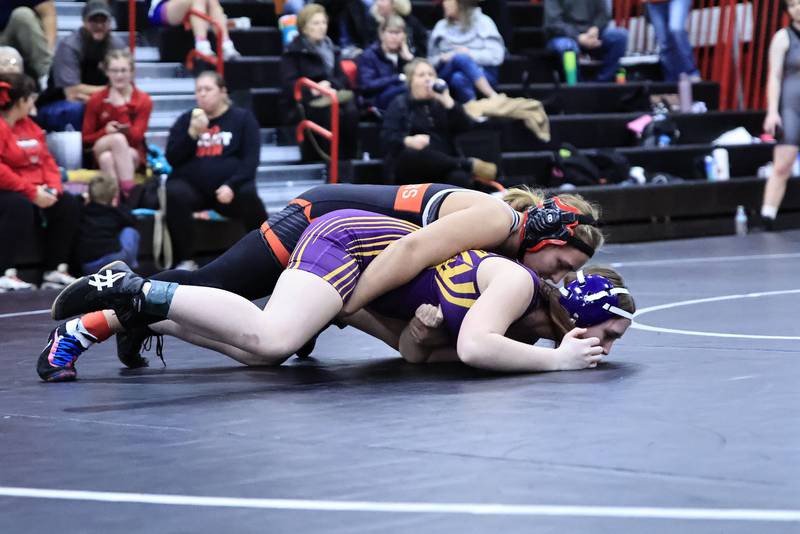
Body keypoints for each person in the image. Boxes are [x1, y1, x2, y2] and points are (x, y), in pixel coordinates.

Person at [44, 183, 602, 373]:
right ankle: (123, 300)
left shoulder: (505, 246)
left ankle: (138, 316)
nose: (557, 278)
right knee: (225, 291)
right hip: (325, 224)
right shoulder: (494, 219)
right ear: (549, 239)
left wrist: (368, 316)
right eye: (564, 266)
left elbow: (412, 301)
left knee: (264, 345)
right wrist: (346, 304)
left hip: (353, 246)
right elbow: (408, 252)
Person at [164, 70, 267, 270]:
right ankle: (185, 260)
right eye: (198, 90)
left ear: (222, 91)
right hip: (194, 189)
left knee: (248, 194)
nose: (202, 94)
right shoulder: (187, 120)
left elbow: (250, 161)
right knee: (174, 192)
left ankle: (267, 250)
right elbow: (173, 159)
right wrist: (192, 134)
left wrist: (231, 185)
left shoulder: (242, 119)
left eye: (208, 89)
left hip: (229, 189)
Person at [0, 73, 80, 291]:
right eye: (31, 99)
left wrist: (53, 187)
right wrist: (31, 191)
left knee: (68, 203)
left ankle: (54, 270)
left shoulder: (30, 126)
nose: (33, 103)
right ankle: (3, 272)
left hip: (35, 189)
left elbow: (47, 160)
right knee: (18, 205)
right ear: (21, 101)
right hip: (9, 190)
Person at [381, 58, 497, 186]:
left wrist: (448, 101)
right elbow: (387, 137)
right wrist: (408, 141)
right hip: (413, 166)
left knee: (460, 178)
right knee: (412, 154)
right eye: (421, 75)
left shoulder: (442, 103)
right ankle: (466, 163)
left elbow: (465, 126)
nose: (427, 79)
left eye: (431, 74)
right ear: (411, 81)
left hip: (443, 165)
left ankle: (462, 165)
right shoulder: (399, 104)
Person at [280, 3, 359, 161]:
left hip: (330, 94)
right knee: (330, 113)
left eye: (323, 22)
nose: (321, 27)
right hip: (307, 100)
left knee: (350, 110)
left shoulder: (332, 48)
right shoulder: (293, 51)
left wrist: (331, 85)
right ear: (304, 27)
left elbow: (342, 78)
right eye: (316, 23)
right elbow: (289, 84)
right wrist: (313, 89)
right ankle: (331, 161)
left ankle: (349, 161)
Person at [36, 0, 125, 132]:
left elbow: (126, 85)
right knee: (78, 108)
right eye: (94, 21)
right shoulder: (69, 46)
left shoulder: (117, 45)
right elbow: (71, 92)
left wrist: (105, 95)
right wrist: (110, 92)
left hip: (94, 100)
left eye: (103, 21)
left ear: (110, 23)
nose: (99, 25)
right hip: (57, 104)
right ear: (84, 22)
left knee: (128, 105)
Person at [82, 49, 153, 198]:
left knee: (107, 158)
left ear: (132, 72)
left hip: (132, 152)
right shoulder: (96, 99)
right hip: (101, 146)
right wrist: (105, 132)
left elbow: (136, 138)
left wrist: (121, 108)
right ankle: (130, 194)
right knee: (117, 139)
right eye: (114, 71)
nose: (119, 76)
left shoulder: (143, 100)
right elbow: (86, 139)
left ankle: (114, 203)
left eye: (123, 71)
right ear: (107, 72)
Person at [760, 0, 800, 230]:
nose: (797, 9)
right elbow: (774, 76)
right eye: (792, 5)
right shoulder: (783, 37)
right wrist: (772, 111)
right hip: (791, 107)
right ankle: (768, 216)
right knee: (783, 164)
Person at [428, 0, 504, 103]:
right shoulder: (440, 26)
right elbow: (429, 61)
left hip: (483, 72)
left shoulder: (484, 22)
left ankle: (472, 110)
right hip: (447, 71)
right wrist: (441, 58)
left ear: (460, 4)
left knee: (458, 78)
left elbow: (497, 56)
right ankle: (493, 96)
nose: (444, 4)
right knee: (460, 58)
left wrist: (470, 54)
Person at [544, 0, 629, 83]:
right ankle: (576, 87)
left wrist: (596, 28)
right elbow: (553, 22)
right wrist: (578, 37)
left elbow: (604, 15)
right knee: (567, 46)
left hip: (592, 34)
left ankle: (602, 83)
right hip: (563, 35)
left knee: (620, 36)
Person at [76, 173, 140, 275]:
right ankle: (131, 269)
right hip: (113, 261)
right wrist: (117, 207)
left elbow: (75, 202)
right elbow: (132, 220)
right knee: (130, 231)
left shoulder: (82, 210)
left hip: (87, 266)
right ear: (114, 195)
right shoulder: (115, 212)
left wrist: (81, 198)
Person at [147, 0, 240, 61]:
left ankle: (226, 44)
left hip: (194, 5)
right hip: (161, 8)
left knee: (212, 1)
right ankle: (202, 46)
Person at [357, 15, 413, 113]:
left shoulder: (404, 54)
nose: (394, 37)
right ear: (381, 34)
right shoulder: (369, 55)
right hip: (376, 98)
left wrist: (409, 59)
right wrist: (396, 78)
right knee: (409, 89)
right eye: (391, 32)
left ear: (404, 35)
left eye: (398, 33)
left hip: (399, 95)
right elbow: (366, 85)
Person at [0, 0, 55, 87]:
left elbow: (48, 14)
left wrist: (47, 49)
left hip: (14, 35)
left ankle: (46, 78)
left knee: (23, 15)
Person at [643, 0, 700, 82]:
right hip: (654, 3)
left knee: (676, 29)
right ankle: (671, 80)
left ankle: (691, 73)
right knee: (664, 43)